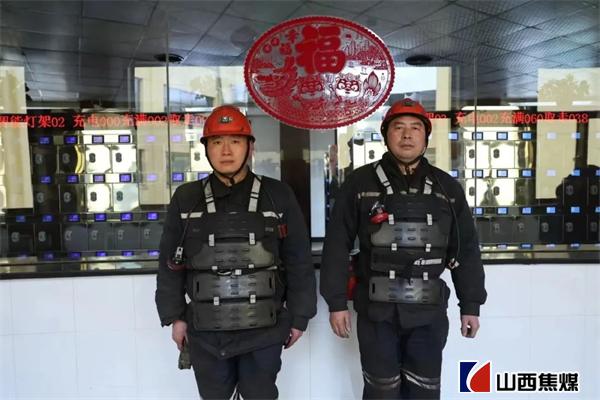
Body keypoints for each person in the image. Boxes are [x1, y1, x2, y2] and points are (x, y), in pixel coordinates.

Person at [320, 98, 487, 399]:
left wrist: (470, 304)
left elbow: (465, 250)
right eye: (398, 127)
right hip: (376, 314)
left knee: (424, 391)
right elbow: (336, 245)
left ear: (425, 137)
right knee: (381, 391)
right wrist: (336, 303)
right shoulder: (360, 183)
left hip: (428, 314)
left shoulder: (447, 188)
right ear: (386, 135)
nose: (407, 135)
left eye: (415, 128)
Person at [156, 105, 317, 400]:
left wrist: (299, 316)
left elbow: (298, 260)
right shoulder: (187, 198)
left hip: (265, 330)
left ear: (250, 147)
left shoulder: (277, 195)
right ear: (206, 149)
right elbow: (170, 264)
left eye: (235, 141)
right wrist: (175, 316)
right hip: (205, 331)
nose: (226, 150)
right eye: (217, 142)